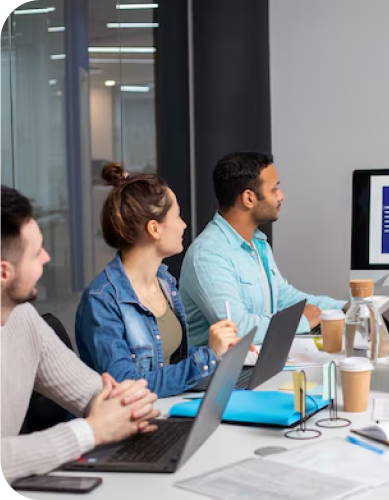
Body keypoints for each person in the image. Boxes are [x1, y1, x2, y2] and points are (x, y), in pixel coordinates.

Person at [0, 184, 160, 483]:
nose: (47, 258)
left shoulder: (22, 318)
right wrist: (92, 430)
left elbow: (91, 391)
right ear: (4, 272)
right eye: (36, 253)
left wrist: (127, 404)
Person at [75, 164, 240, 398]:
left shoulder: (164, 282)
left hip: (165, 409)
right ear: (154, 228)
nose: (184, 225)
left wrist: (216, 349)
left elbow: (166, 359)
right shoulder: (102, 299)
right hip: (130, 424)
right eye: (177, 216)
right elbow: (124, 384)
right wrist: (206, 357)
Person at [180, 151, 347, 346]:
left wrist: (345, 307)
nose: (281, 196)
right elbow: (237, 328)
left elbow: (283, 297)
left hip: (258, 360)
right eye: (274, 189)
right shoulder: (208, 255)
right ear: (249, 198)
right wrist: (300, 322)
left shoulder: (258, 243)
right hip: (224, 373)